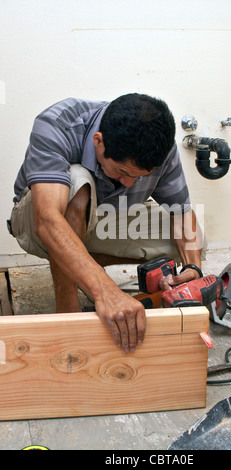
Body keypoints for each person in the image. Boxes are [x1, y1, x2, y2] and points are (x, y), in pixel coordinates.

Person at [8, 93, 202, 353]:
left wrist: (193, 269)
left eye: (141, 177)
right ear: (98, 141)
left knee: (195, 237)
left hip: (102, 220)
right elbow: (47, 221)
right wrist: (105, 291)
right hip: (38, 223)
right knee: (77, 179)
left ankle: (83, 263)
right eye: (122, 171)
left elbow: (181, 212)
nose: (130, 183)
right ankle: (68, 311)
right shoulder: (57, 123)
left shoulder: (160, 146)